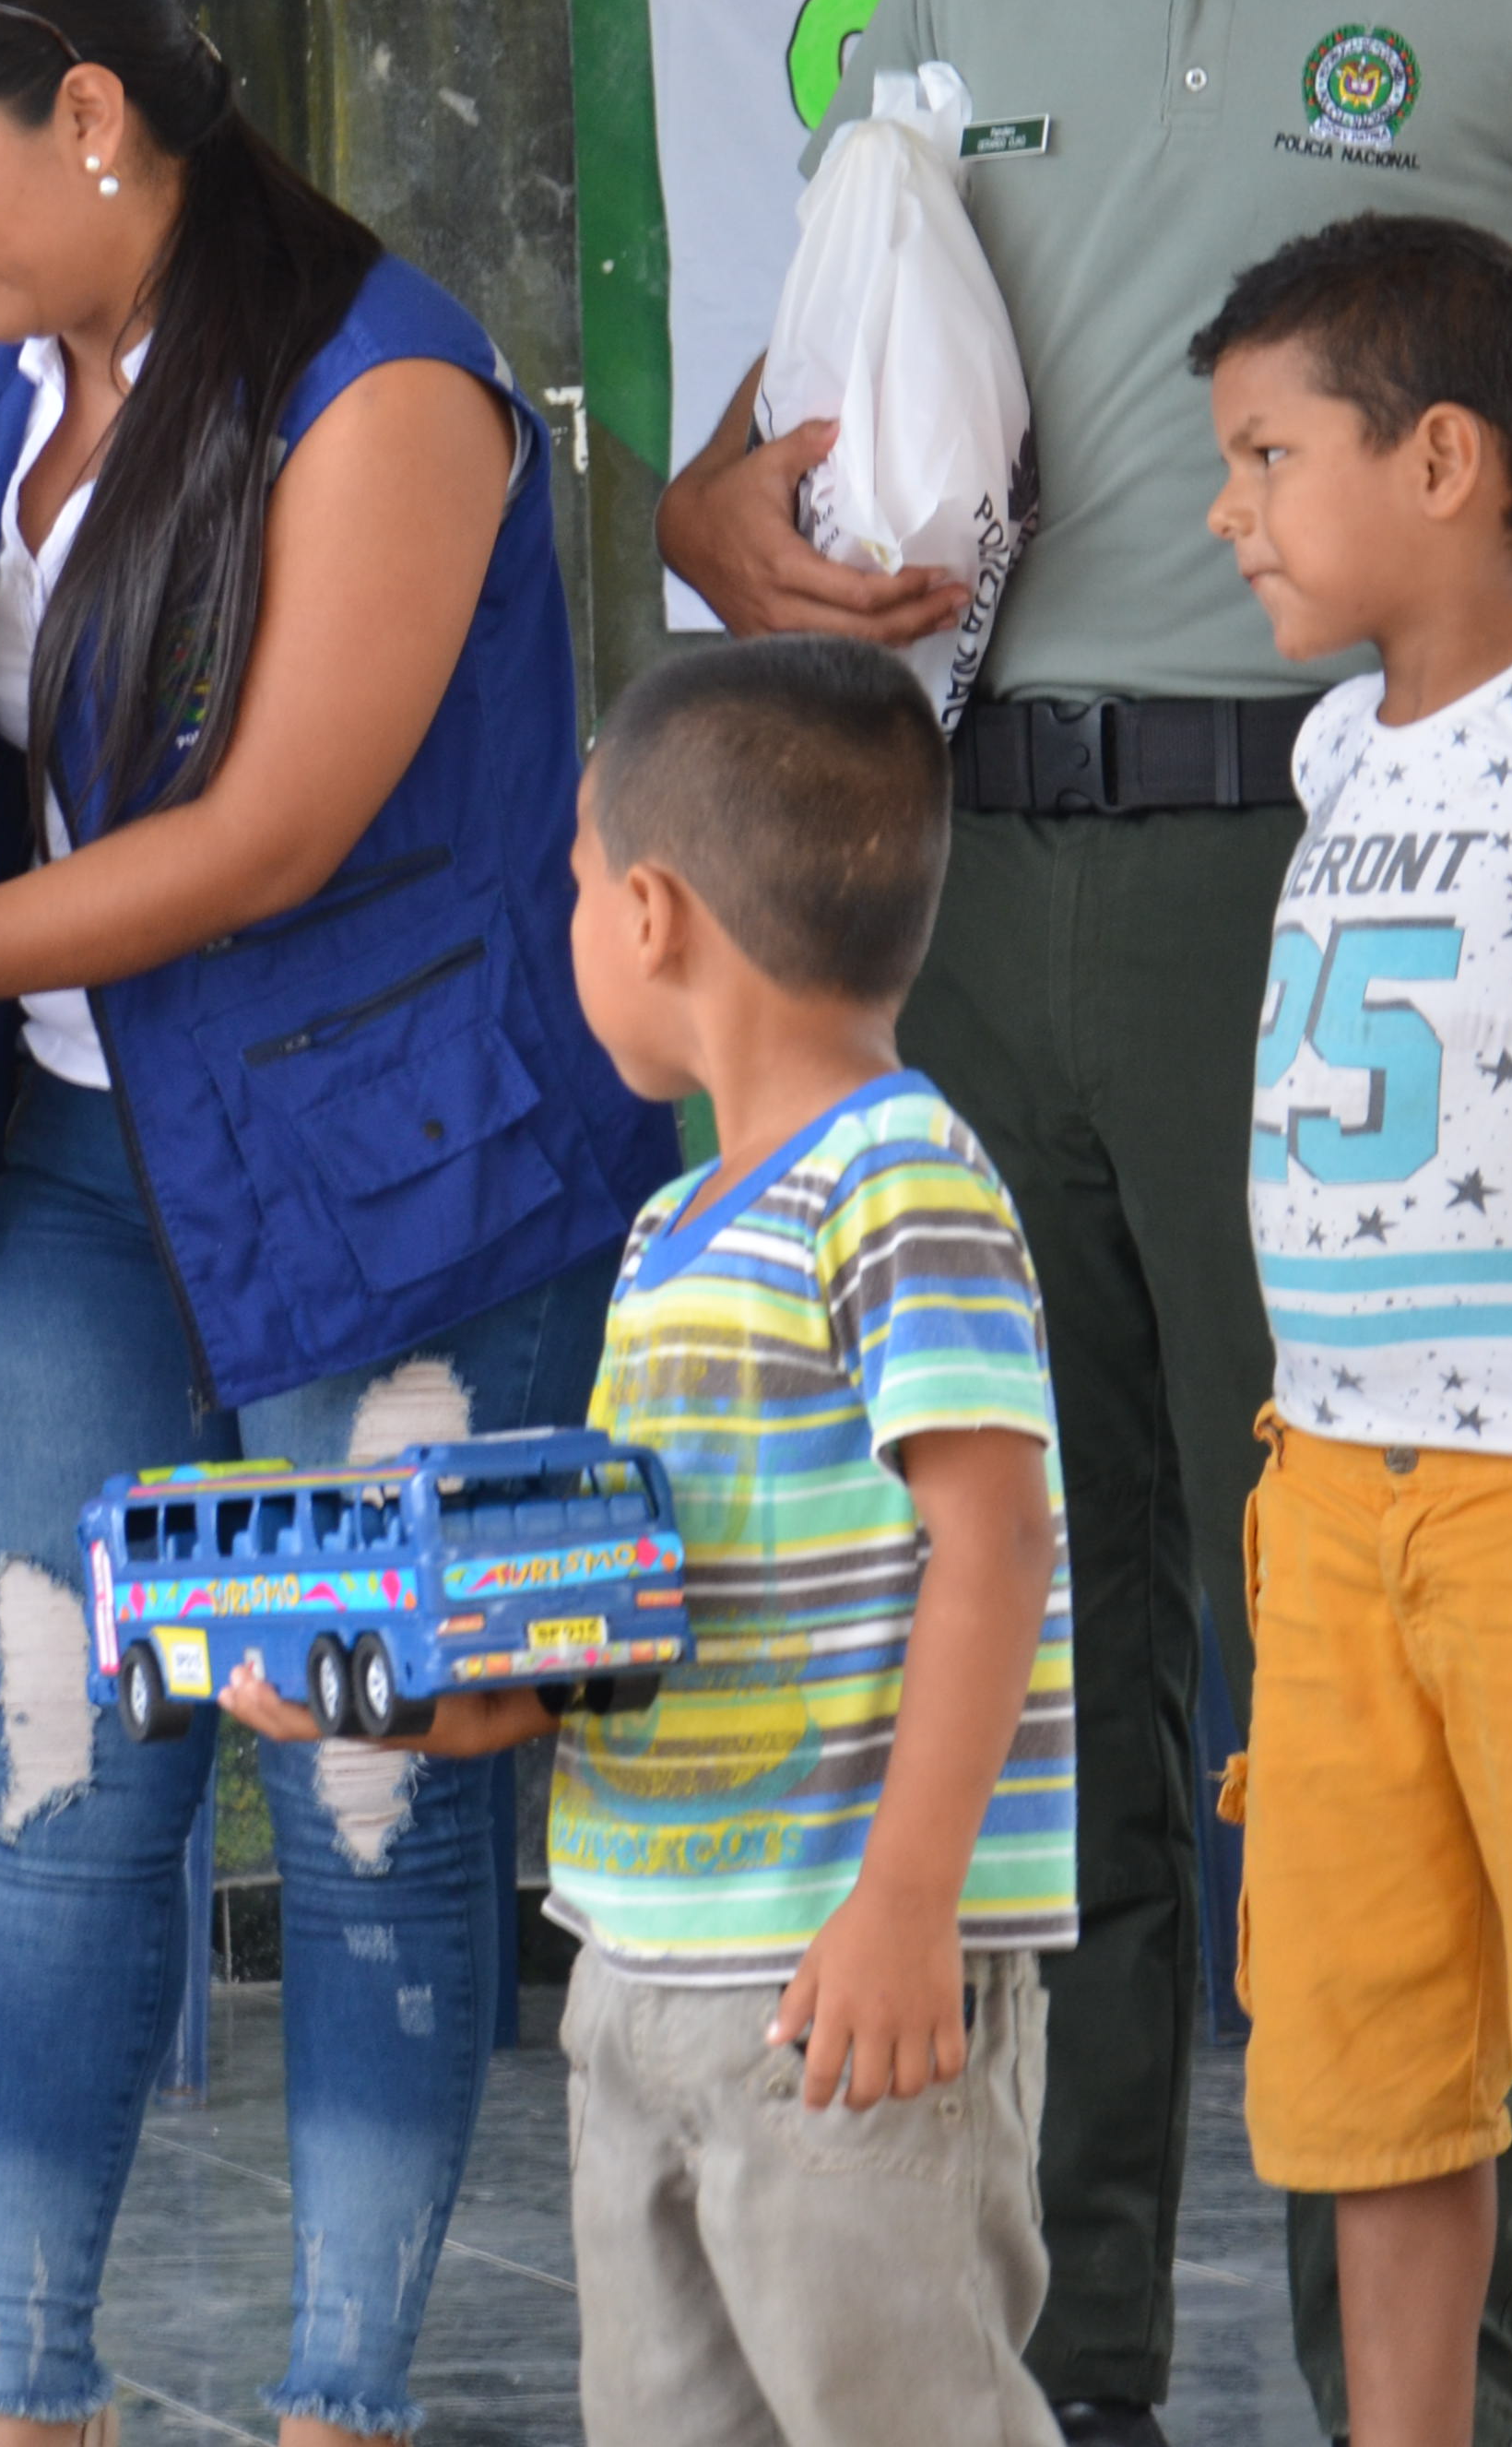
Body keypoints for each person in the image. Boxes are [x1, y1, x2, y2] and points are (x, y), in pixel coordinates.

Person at [647, 0, 1512, 2426]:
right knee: (1041, 1656)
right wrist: (730, 511)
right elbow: (834, 338)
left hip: (1339, 898)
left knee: (1346, 1672)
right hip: (973, 867)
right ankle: (1046, 2376)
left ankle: (1385, 2389)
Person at [0, 0, 678, 2446]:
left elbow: (263, 840)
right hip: (105, 1172)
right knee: (68, 1773)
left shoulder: (388, 386)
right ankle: (21, 2402)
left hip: (395, 1195)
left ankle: (342, 2403)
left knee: (363, 1795)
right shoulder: (6, 383)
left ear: (89, 116)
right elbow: (55, 759)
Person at [244, 637, 1077, 2445]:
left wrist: (907, 1902)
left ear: (648, 912)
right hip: (643, 1972)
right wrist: (399, 1703)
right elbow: (631, 1616)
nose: (565, 930)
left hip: (841, 1986)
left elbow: (996, 1540)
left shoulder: (897, 1177)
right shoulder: (674, 1234)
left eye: (563, 892)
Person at [1199, 217, 1512, 2447]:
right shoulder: (1338, 752)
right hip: (1332, 1490)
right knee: (1370, 2064)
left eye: (1267, 454)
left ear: (1441, 460)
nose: (1229, 510)